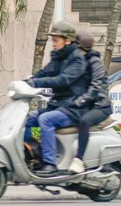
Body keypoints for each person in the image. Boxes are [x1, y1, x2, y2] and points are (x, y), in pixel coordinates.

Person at [24, 21, 87, 177]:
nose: (53, 43)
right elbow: (45, 72)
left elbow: (63, 80)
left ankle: (50, 163)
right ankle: (31, 154)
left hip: (73, 107)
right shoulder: (58, 57)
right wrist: (26, 81)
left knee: (46, 119)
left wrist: (36, 83)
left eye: (56, 40)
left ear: (67, 40)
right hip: (58, 105)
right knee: (24, 119)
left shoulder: (77, 59)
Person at [67, 30, 112, 174]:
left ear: (82, 48)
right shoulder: (78, 62)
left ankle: (79, 159)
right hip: (88, 104)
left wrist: (80, 101)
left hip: (101, 105)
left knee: (84, 121)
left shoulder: (94, 62)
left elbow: (95, 87)